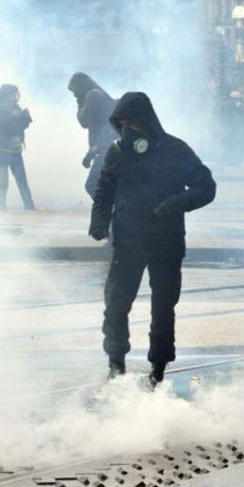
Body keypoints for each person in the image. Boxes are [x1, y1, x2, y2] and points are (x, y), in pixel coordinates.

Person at [89, 92, 217, 386]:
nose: (128, 132)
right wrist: (99, 220)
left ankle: (158, 367)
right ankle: (115, 364)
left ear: (146, 123)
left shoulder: (175, 150)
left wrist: (174, 203)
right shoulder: (117, 152)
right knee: (116, 304)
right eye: (122, 126)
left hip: (166, 242)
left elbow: (206, 186)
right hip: (127, 242)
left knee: (163, 308)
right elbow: (104, 191)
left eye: (133, 125)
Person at [68, 72, 118, 198]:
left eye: (74, 91)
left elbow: (83, 121)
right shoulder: (97, 94)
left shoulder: (93, 95)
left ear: (80, 86)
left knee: (92, 185)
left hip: (106, 148)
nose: (74, 95)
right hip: (107, 146)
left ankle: (111, 213)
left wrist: (80, 105)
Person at [0, 84, 36, 211]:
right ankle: (1, 207)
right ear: (5, 96)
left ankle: (29, 206)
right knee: (3, 182)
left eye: (16, 95)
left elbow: (19, 127)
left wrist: (24, 118)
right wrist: (18, 117)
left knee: (22, 181)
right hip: (0, 152)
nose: (15, 98)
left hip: (15, 152)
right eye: (12, 95)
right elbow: (5, 128)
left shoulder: (16, 108)